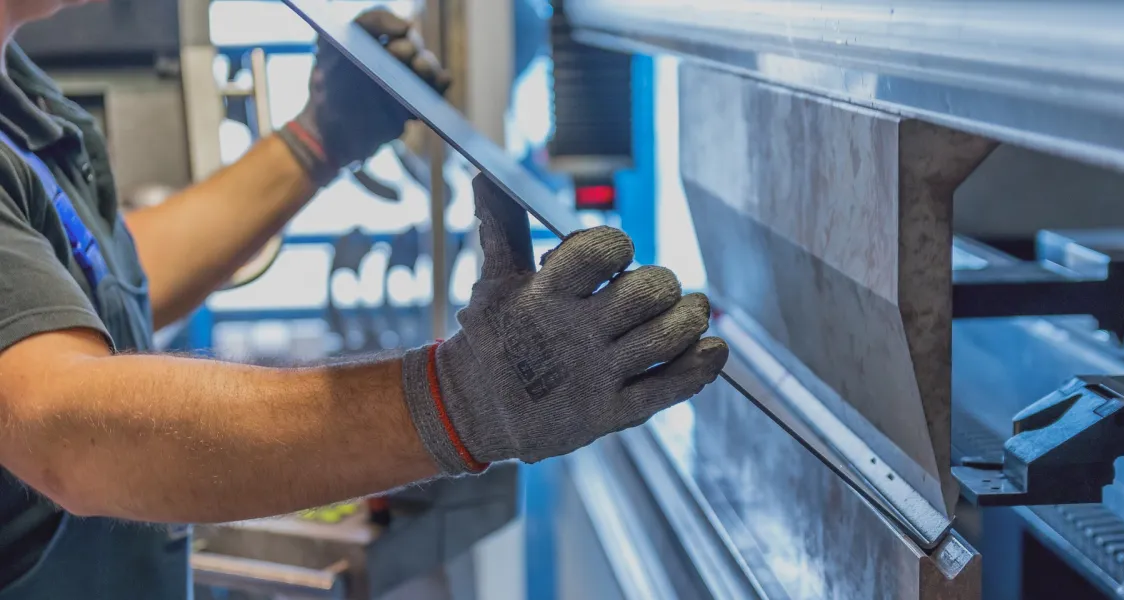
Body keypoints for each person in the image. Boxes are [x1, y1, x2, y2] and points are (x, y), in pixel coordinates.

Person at [0, 2, 729, 598]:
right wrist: (460, 402)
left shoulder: (19, 86)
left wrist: (318, 140)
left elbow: (94, 281)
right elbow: (65, 430)